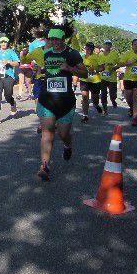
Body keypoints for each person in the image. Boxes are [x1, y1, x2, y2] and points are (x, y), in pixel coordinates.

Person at [22, 28, 86, 180]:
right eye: (51, 39)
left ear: (64, 39)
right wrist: (37, 69)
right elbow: (35, 68)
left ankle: (67, 146)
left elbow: (85, 74)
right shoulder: (43, 52)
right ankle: (45, 166)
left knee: (63, 134)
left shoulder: (72, 54)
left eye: (57, 39)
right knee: (47, 132)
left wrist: (70, 68)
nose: (54, 42)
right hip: (47, 98)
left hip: (65, 101)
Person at [118, 38, 137, 126]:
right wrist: (129, 63)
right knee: (128, 98)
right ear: (132, 46)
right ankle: (131, 108)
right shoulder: (127, 54)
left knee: (136, 99)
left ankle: (135, 118)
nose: (136, 46)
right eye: (134, 44)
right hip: (128, 79)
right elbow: (120, 64)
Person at [0, 36, 20, 125]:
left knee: (7, 96)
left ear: (7, 43)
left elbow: (17, 63)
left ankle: (12, 103)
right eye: (2, 42)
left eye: (5, 42)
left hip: (8, 77)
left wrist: (9, 62)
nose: (3, 44)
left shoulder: (11, 52)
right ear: (0, 43)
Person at [79, 42, 103, 123]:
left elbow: (102, 67)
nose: (88, 50)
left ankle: (96, 105)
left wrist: (95, 70)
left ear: (93, 49)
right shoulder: (81, 57)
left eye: (90, 48)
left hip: (95, 80)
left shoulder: (97, 57)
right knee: (85, 98)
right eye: (87, 48)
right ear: (85, 49)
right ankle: (85, 115)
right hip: (84, 80)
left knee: (94, 99)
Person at [99, 39, 119, 115]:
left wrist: (114, 68)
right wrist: (99, 68)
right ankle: (105, 110)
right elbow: (98, 66)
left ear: (111, 46)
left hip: (112, 78)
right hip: (103, 78)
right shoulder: (100, 55)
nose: (107, 45)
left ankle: (113, 101)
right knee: (103, 94)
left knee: (112, 95)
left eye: (109, 44)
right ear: (103, 45)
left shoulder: (114, 54)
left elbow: (119, 64)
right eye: (105, 44)